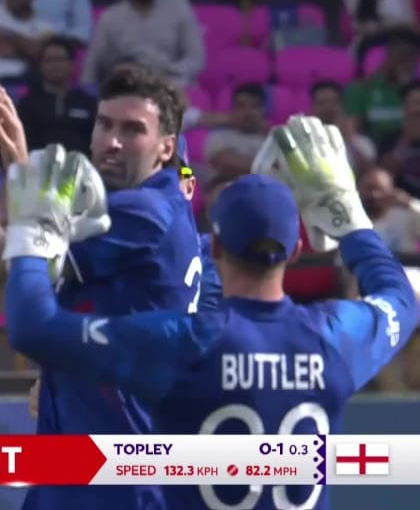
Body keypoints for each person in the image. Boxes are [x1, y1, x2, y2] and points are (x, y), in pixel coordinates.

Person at [4, 116, 418, 510]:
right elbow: (401, 298)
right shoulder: (335, 339)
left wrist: (31, 230)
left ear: (217, 247)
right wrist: (348, 215)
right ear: (295, 250)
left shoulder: (182, 343)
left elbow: (36, 327)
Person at [0, 66, 201, 510]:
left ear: (165, 148)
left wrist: (18, 165)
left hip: (116, 469)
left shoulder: (144, 215)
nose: (112, 141)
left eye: (132, 131)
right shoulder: (167, 192)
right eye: (105, 124)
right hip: (70, 447)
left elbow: (30, 243)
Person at [81, 0, 204, 88]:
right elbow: (94, 59)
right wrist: (85, 90)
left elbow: (195, 57)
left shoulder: (179, 11)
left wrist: (171, 71)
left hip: (169, 79)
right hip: (127, 82)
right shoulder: (111, 16)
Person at [17, 36, 96, 155]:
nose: (55, 65)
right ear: (40, 66)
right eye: (49, 60)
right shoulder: (27, 105)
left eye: (60, 59)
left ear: (72, 64)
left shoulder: (88, 103)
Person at [0, 0, 54, 84]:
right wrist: (27, 47)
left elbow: (39, 54)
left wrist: (9, 36)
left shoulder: (45, 26)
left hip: (26, 83)